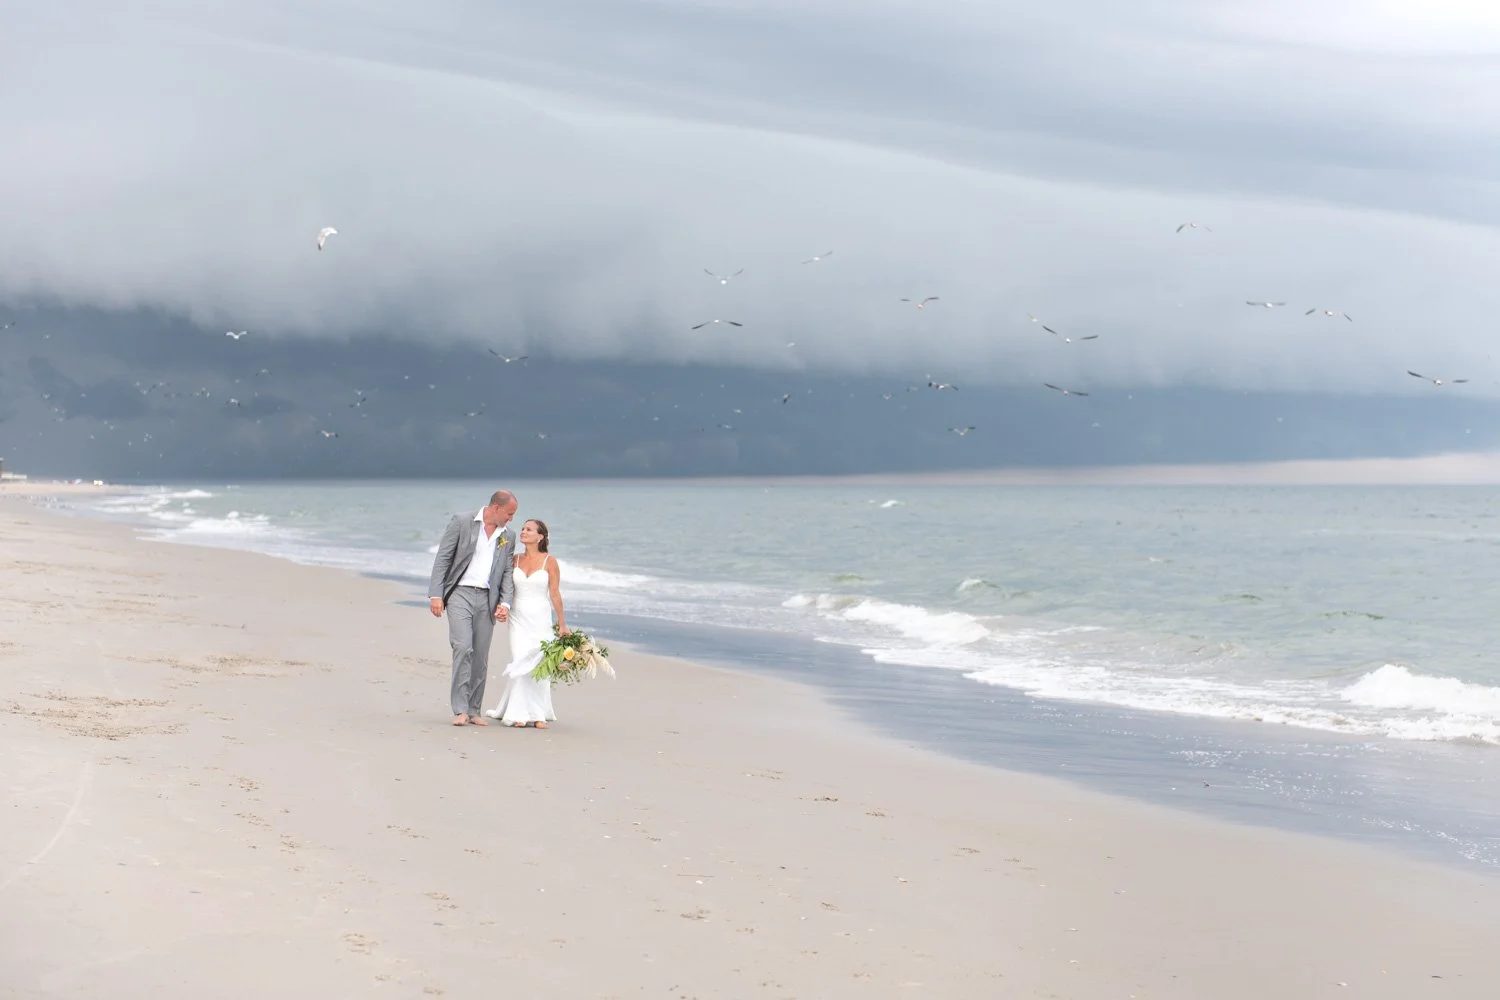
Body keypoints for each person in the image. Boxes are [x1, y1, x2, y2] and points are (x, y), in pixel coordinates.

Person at [427, 490, 517, 726]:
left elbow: (507, 571)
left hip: (488, 598)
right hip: (460, 593)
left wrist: (505, 602)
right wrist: (436, 594)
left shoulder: (508, 535)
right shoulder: (462, 521)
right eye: (509, 513)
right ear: (496, 508)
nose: (511, 518)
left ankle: (474, 709)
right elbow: (443, 558)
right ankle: (460, 709)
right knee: (463, 646)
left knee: (480, 655)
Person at [486, 519, 568, 728]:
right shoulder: (514, 560)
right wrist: (501, 608)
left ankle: (538, 714)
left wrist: (562, 624)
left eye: (528, 529)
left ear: (540, 536)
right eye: (522, 529)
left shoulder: (549, 561)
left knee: (539, 662)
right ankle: (518, 713)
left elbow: (555, 594)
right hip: (518, 616)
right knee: (521, 659)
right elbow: (506, 589)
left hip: (540, 617)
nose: (523, 532)